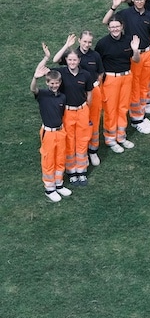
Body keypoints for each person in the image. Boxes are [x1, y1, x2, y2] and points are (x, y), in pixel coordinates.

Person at [103, 0, 150, 135]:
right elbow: (105, 21)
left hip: (148, 52)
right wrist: (114, 7)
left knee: (145, 84)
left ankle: (141, 113)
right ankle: (136, 119)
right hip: (135, 54)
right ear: (132, 0)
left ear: (145, 0)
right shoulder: (125, 14)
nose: (139, 2)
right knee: (135, 86)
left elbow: (149, 34)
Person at [52, 31, 105, 166]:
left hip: (92, 91)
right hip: (76, 94)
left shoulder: (95, 55)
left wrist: (97, 85)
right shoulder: (73, 55)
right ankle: (79, 151)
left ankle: (92, 151)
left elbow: (100, 72)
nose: (86, 44)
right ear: (79, 41)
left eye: (89, 42)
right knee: (78, 125)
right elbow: (55, 60)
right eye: (84, 41)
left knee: (93, 122)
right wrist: (66, 45)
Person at [95, 15, 141, 151]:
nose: (115, 29)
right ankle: (110, 139)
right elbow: (98, 63)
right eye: (112, 27)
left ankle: (121, 136)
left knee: (123, 107)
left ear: (122, 27)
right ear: (109, 28)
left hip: (126, 77)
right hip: (110, 79)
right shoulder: (103, 44)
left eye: (117, 26)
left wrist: (135, 50)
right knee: (110, 109)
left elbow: (136, 60)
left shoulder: (128, 40)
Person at [31, 52, 72, 202]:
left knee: (60, 158)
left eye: (56, 83)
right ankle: (49, 188)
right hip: (48, 133)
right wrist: (35, 77)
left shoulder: (62, 97)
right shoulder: (42, 94)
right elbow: (33, 89)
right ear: (47, 83)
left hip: (60, 132)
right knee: (49, 160)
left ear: (59, 83)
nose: (54, 85)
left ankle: (59, 184)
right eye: (51, 83)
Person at [53, 47, 95, 187]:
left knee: (82, 140)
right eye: (69, 59)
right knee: (70, 141)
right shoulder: (61, 72)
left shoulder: (86, 75)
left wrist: (86, 108)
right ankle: (72, 172)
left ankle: (81, 171)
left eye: (74, 60)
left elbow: (89, 93)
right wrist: (65, 46)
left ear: (79, 60)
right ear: (66, 61)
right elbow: (54, 60)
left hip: (82, 110)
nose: (72, 62)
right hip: (68, 112)